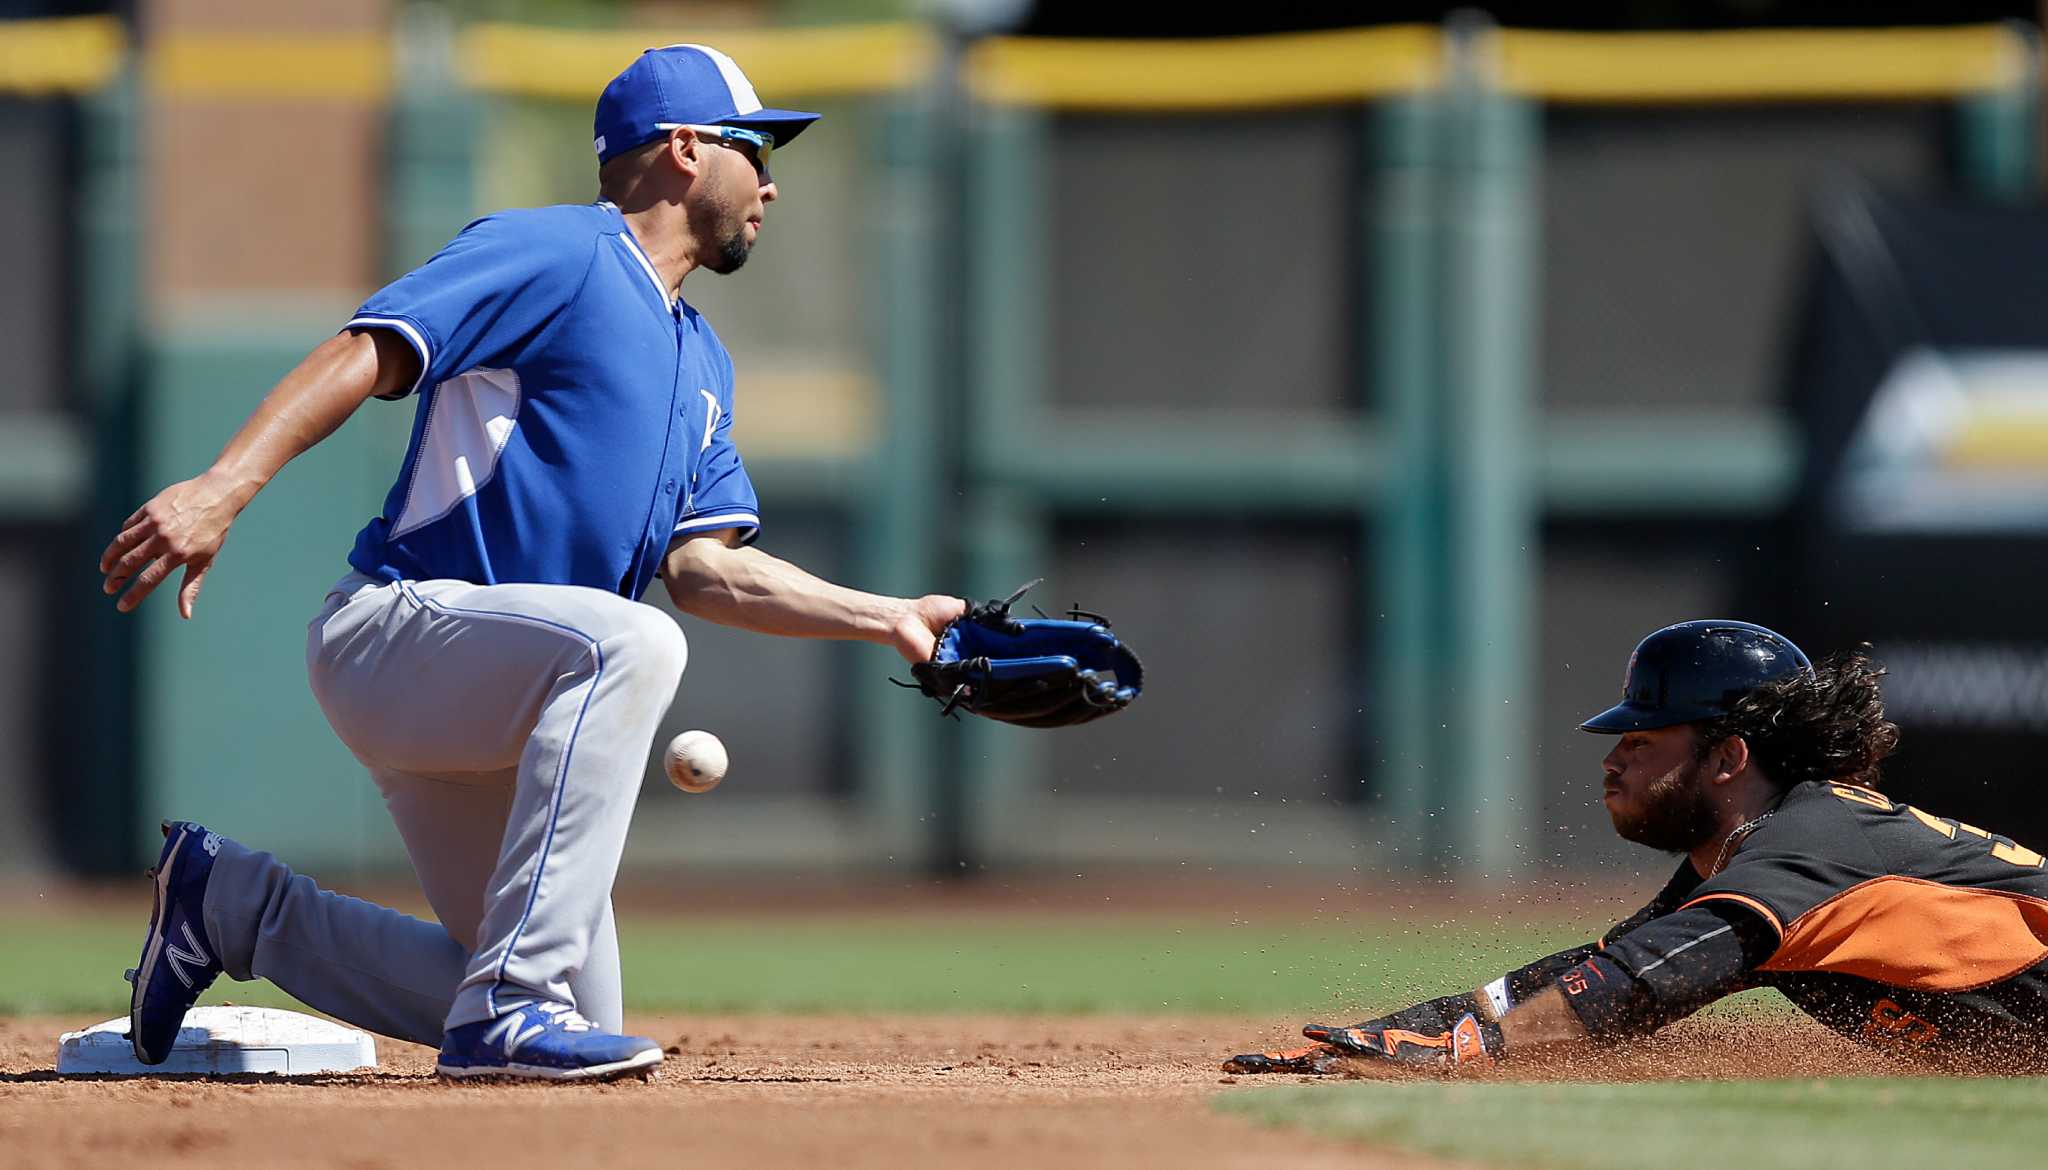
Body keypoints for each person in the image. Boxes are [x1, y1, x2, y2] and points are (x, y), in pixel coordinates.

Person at [101, 44, 965, 1082]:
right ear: (684, 150)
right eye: (755, 145)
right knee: (631, 646)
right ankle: (506, 1010)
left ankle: (232, 905)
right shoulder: (559, 255)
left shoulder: (701, 357)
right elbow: (366, 349)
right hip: (403, 632)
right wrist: (223, 486)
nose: (771, 179)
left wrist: (888, 617)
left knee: (583, 1002)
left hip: (512, 694)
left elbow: (705, 571)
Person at [1226, 620, 2048, 1075]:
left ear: (1727, 757)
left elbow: (1637, 984)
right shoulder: (1777, 849)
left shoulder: (1808, 847)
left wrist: (1460, 1048)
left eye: (1645, 740)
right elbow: (1596, 973)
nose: (1614, 759)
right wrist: (1376, 1037)